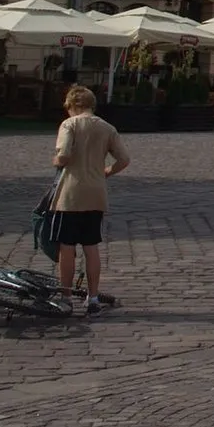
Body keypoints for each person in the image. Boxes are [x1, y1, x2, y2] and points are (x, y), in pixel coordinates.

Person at [53, 84, 130, 314]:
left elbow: (64, 155)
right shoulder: (107, 128)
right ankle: (93, 296)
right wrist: (106, 171)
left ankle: (66, 296)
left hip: (71, 193)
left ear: (73, 106)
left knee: (66, 247)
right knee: (91, 246)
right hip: (96, 192)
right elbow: (124, 159)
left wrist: (57, 161)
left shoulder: (69, 124)